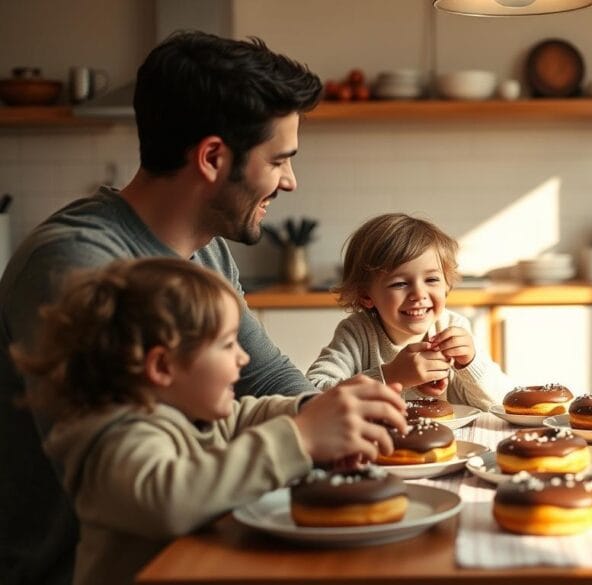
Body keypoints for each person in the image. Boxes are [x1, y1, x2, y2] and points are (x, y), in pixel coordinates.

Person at [0, 32, 404, 585]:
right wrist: (305, 434)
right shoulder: (75, 262)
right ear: (213, 157)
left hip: (192, 538)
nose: (290, 181)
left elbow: (261, 378)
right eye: (280, 160)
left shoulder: (206, 247)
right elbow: (135, 470)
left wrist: (336, 412)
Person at [12, 258, 407, 585]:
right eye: (227, 345)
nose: (243, 358)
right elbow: (166, 498)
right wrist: (301, 438)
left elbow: (246, 415)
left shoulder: (189, 414)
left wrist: (310, 412)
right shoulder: (113, 438)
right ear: (163, 366)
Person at [306, 213, 515, 410]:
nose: (418, 294)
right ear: (366, 296)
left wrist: (471, 363)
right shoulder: (357, 332)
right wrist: (390, 376)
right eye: (399, 284)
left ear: (446, 285)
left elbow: (503, 402)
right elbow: (311, 392)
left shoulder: (452, 327)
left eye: (431, 280)